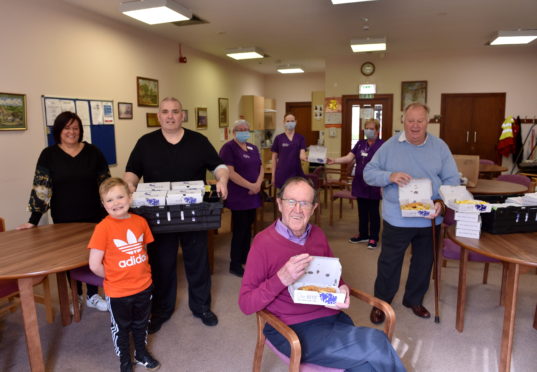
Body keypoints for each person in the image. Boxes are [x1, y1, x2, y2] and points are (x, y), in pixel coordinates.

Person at [239, 177, 406, 371]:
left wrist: (342, 288)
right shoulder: (263, 243)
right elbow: (246, 303)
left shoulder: (317, 234)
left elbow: (333, 277)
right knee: (375, 341)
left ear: (314, 207)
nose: (297, 210)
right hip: (293, 329)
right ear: (279, 203)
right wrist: (281, 279)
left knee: (366, 367)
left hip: (332, 318)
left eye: (304, 203)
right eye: (291, 201)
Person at [124, 97, 229, 333]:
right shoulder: (145, 143)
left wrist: (222, 179)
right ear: (158, 116)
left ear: (183, 115)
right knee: (162, 264)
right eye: (165, 112)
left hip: (194, 214)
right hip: (158, 216)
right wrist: (128, 186)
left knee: (198, 262)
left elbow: (219, 166)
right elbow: (131, 172)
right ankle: (162, 309)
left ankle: (201, 307)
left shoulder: (198, 141)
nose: (170, 116)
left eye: (175, 111)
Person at [363, 103, 459, 324]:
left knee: (424, 263)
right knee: (389, 262)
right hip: (397, 218)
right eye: (410, 120)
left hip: (430, 217)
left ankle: (413, 300)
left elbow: (452, 180)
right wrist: (389, 176)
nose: (415, 125)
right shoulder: (389, 146)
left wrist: (441, 204)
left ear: (428, 122)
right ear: (403, 121)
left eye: (420, 121)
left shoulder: (440, 147)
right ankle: (382, 303)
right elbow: (369, 173)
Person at [17, 111, 109, 312]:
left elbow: (105, 185)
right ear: (58, 131)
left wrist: (111, 214)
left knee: (93, 256)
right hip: (64, 218)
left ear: (80, 131)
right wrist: (33, 220)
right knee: (69, 260)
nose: (72, 132)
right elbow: (41, 189)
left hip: (93, 217)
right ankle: (74, 295)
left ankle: (92, 295)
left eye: (75, 128)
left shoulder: (93, 152)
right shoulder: (49, 155)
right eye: (67, 128)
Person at [88, 178, 159, 372]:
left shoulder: (140, 222)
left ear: (130, 197)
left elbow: (143, 250)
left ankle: (141, 353)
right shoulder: (103, 228)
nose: (116, 203)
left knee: (142, 323)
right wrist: (112, 276)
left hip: (143, 286)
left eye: (120, 196)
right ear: (103, 204)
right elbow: (94, 265)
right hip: (118, 291)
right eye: (109, 200)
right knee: (121, 327)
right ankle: (125, 359)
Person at [327, 118, 384, 249]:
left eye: (372, 129)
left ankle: (374, 237)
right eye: (367, 128)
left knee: (373, 212)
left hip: (374, 184)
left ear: (377, 130)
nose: (369, 131)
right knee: (362, 210)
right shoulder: (360, 143)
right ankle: (363, 234)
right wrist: (334, 160)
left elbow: (387, 164)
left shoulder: (382, 145)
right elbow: (349, 157)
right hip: (359, 183)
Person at [219, 119, 263, 277]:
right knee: (239, 230)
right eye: (240, 129)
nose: (244, 131)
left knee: (248, 229)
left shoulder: (253, 147)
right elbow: (230, 173)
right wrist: (251, 186)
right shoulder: (228, 148)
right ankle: (235, 263)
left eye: (246, 129)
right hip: (239, 197)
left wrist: (257, 184)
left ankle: (245, 258)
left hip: (253, 196)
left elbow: (261, 167)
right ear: (234, 132)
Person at [271, 114, 308, 190]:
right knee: (283, 198)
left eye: (292, 121)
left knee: (296, 197)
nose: (290, 123)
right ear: (284, 122)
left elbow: (302, 154)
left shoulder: (300, 138)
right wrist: (273, 176)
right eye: (287, 121)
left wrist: (312, 157)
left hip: (296, 173)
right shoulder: (278, 138)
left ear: (296, 122)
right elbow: (274, 159)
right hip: (282, 174)